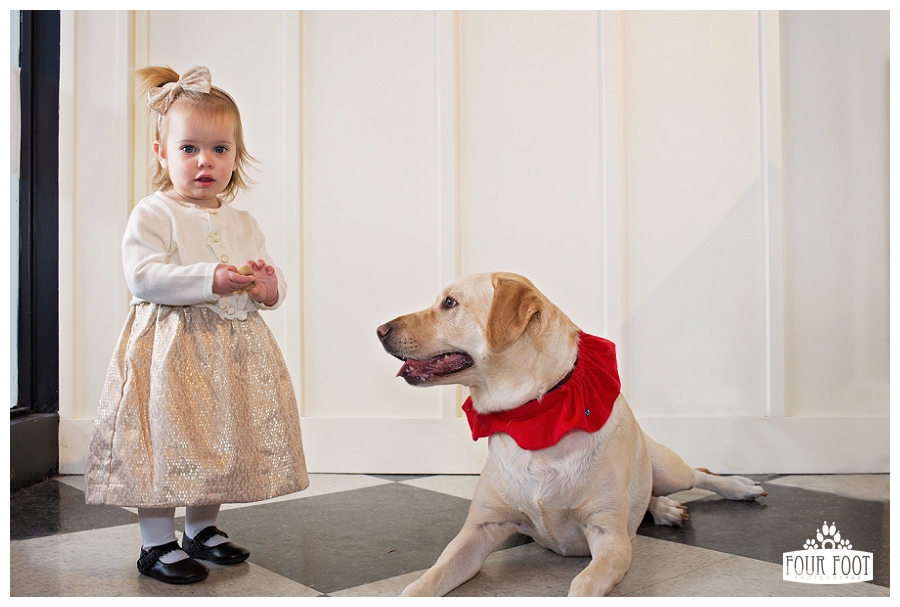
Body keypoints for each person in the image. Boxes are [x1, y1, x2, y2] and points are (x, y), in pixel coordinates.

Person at [84, 65, 309, 585]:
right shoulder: (154, 213)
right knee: (166, 441)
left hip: (230, 351)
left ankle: (201, 528)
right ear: (162, 153)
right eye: (189, 148)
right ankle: (156, 542)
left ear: (235, 156)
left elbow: (267, 280)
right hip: (172, 350)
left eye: (219, 149)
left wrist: (268, 287)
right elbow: (143, 276)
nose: (205, 160)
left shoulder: (242, 221)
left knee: (216, 437)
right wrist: (211, 278)